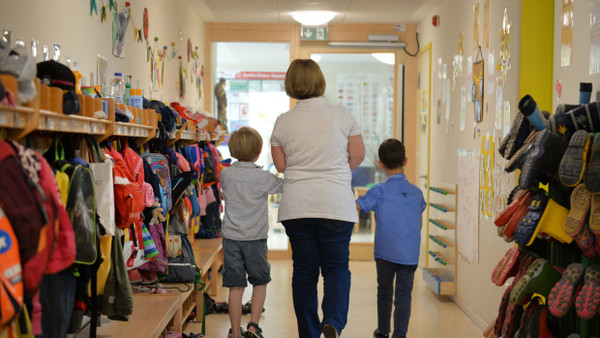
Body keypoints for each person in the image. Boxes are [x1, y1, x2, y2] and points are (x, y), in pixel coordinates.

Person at [271, 58, 366, 338]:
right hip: (335, 204)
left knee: (304, 272)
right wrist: (337, 171)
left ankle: (309, 332)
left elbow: (281, 166)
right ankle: (333, 322)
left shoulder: (283, 122)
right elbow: (358, 154)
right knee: (337, 268)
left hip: (297, 206)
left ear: (291, 84)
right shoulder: (343, 115)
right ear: (319, 81)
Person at [355, 139, 426, 338]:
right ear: (405, 160)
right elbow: (419, 224)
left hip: (385, 253)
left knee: (384, 292)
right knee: (404, 296)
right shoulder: (416, 192)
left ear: (380, 164)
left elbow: (357, 207)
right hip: (410, 254)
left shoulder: (378, 192)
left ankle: (383, 331)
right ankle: (399, 335)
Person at [220, 126, 284, 338]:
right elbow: (283, 185)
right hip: (255, 239)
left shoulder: (225, 174)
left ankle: (235, 333)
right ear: (258, 152)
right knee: (260, 281)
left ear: (232, 149)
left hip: (231, 239)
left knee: (235, 287)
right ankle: (253, 327)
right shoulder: (263, 177)